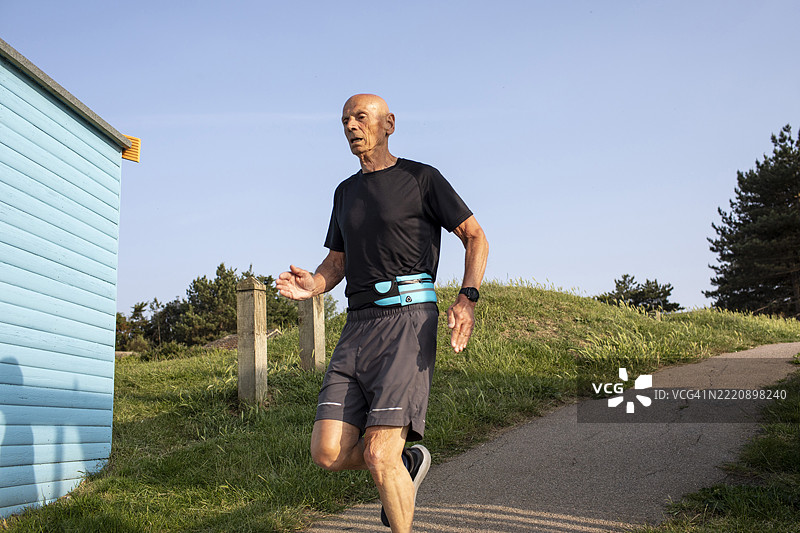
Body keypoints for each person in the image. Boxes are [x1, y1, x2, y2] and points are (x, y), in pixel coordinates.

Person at [276, 94, 488, 533]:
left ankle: (395, 479)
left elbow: (475, 236)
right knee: (328, 452)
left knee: (377, 453)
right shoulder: (345, 192)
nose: (352, 126)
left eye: (361, 117)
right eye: (345, 121)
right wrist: (312, 285)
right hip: (357, 326)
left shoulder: (421, 178)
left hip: (408, 322)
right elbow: (337, 262)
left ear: (388, 123)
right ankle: (405, 462)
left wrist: (467, 298)